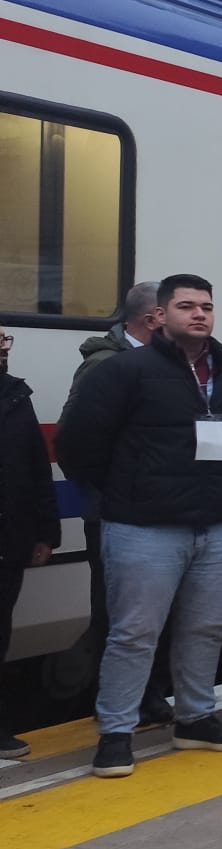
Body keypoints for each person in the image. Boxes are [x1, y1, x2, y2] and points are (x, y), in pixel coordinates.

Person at [58, 275, 222, 778]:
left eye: (207, 307)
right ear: (161, 315)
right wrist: (121, 493)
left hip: (218, 527)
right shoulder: (125, 371)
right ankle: (115, 732)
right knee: (134, 634)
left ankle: (194, 718)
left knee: (207, 627)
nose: (199, 315)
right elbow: (78, 443)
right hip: (143, 528)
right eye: (186, 306)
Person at [57, 282, 164, 719]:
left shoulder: (166, 363)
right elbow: (73, 441)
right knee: (119, 611)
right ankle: (119, 703)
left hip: (159, 510)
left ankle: (150, 695)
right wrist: (111, 491)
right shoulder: (104, 366)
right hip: (114, 512)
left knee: (159, 609)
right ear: (154, 317)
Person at [0, 324, 59, 758]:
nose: (3, 346)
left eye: (4, 339)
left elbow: (38, 469)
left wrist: (46, 532)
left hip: (9, 537)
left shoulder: (16, 396)